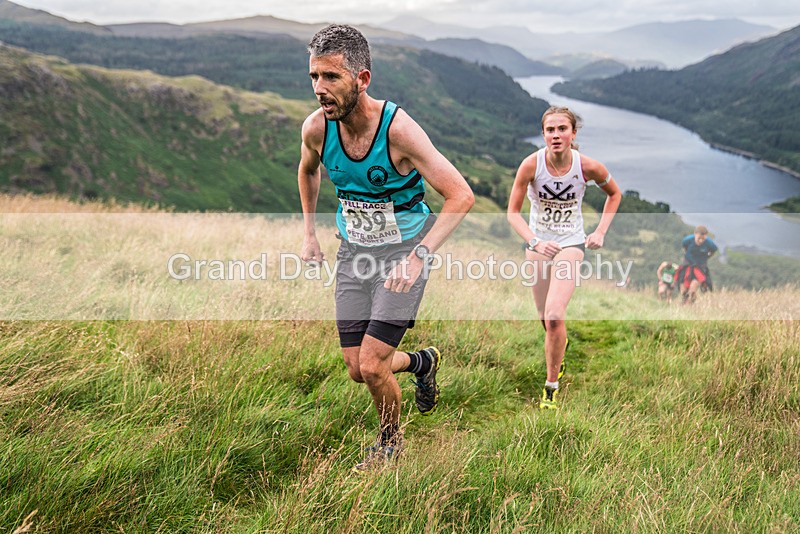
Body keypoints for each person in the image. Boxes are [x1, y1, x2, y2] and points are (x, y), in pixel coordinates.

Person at [298, 25, 474, 470]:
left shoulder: (399, 131)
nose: (320, 89)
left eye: (331, 78)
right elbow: (308, 172)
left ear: (362, 79)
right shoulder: (317, 129)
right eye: (315, 77)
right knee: (357, 368)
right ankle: (420, 363)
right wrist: (309, 233)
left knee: (374, 366)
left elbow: (461, 196)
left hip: (404, 255)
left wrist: (420, 256)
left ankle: (390, 447)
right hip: (352, 254)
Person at [507, 106, 621, 410]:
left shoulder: (588, 167)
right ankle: (560, 345)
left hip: (571, 243)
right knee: (546, 318)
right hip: (538, 245)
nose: (556, 135)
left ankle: (551, 386)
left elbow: (615, 194)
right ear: (543, 133)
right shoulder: (531, 165)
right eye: (550, 130)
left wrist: (599, 232)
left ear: (573, 133)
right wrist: (534, 241)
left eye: (562, 129)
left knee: (555, 314)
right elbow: (512, 213)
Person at [676, 225, 717, 304]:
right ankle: (685, 301)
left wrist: (707, 257)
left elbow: (713, 250)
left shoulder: (709, 243)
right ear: (695, 234)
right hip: (688, 263)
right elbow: (685, 247)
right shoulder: (687, 240)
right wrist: (688, 256)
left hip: (700, 266)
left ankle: (690, 303)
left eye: (703, 239)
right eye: (699, 238)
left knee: (692, 290)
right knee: (684, 290)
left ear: (706, 236)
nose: (701, 241)